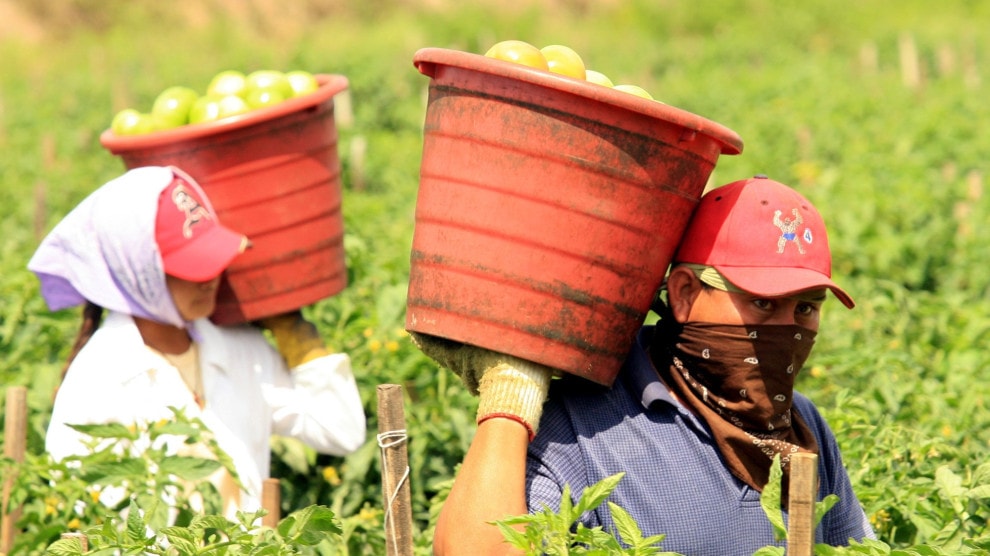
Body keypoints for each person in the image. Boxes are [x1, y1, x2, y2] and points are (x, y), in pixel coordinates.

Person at [429, 175, 875, 555]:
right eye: (761, 303)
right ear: (683, 292)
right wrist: (510, 395)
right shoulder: (584, 427)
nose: (786, 329)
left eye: (806, 309)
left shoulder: (801, 427)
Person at [28, 165, 367, 515]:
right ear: (139, 273)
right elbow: (85, 512)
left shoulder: (242, 352)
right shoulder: (97, 380)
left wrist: (296, 335)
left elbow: (341, 430)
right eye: (189, 268)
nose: (210, 279)